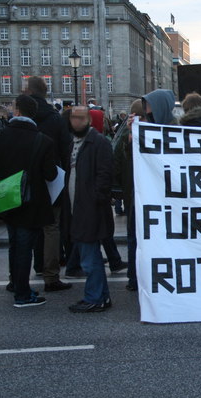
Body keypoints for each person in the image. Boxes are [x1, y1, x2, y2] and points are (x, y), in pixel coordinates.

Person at [0, 94, 57, 307]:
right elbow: (50, 175)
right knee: (24, 248)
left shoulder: (1, 136)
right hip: (32, 202)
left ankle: (15, 282)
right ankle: (22, 295)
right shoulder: (43, 140)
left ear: (18, 112)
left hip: (7, 200)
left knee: (14, 245)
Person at [63, 106, 114, 312]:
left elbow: (105, 175)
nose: (76, 122)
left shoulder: (98, 142)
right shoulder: (73, 142)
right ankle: (101, 297)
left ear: (89, 120)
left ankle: (95, 297)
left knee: (89, 257)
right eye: (73, 118)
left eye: (81, 118)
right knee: (89, 255)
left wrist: (94, 199)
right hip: (79, 207)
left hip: (90, 209)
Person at [27, 76, 72, 292]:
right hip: (52, 176)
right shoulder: (55, 118)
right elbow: (66, 148)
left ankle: (27, 271)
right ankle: (51, 275)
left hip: (25, 179)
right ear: (46, 93)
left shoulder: (24, 117)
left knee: (28, 225)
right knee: (51, 226)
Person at [114, 99, 146, 291]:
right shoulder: (129, 134)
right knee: (135, 236)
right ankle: (135, 277)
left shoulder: (124, 134)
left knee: (133, 236)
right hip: (135, 193)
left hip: (132, 194)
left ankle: (134, 277)